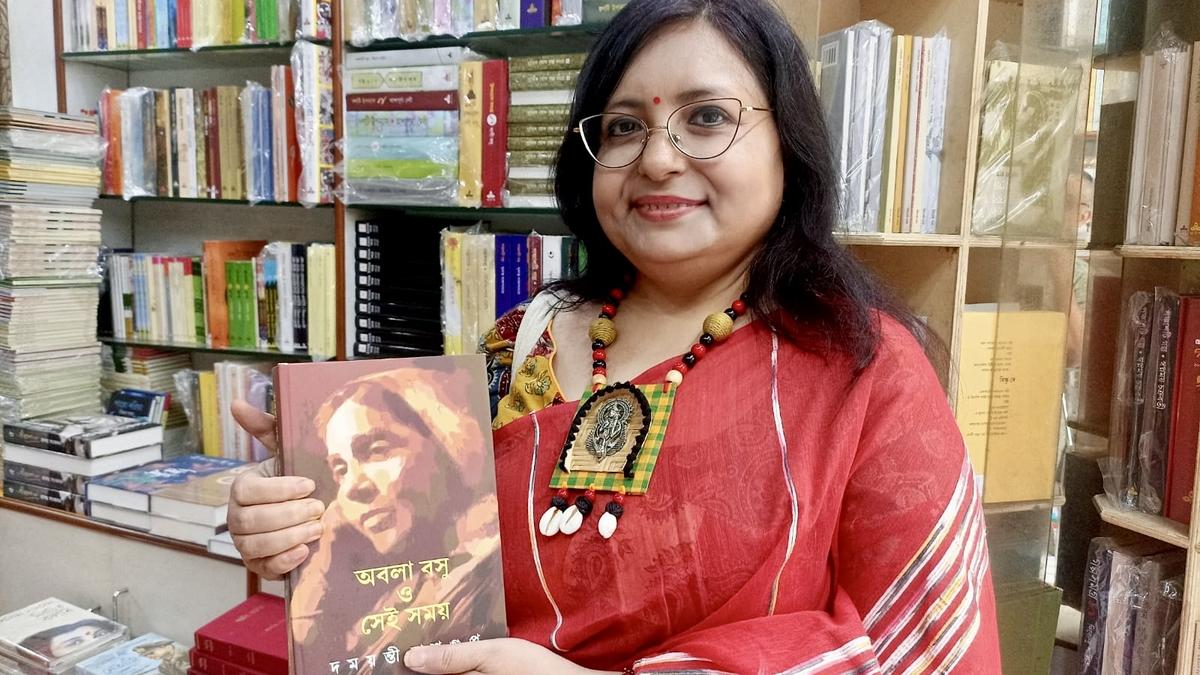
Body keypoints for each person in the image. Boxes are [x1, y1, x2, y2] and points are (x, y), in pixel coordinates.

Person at [229, 1, 1002, 672]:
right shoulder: (520, 342)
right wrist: (302, 519)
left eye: (707, 117)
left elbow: (925, 652)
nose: (658, 159)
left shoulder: (863, 369)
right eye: (625, 126)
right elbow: (414, 576)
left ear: (788, 143)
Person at [275, 366, 505, 667]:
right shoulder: (405, 579)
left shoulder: (486, 567)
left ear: (444, 441)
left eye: (376, 450)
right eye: (340, 469)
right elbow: (313, 650)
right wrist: (325, 548)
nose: (352, 488)